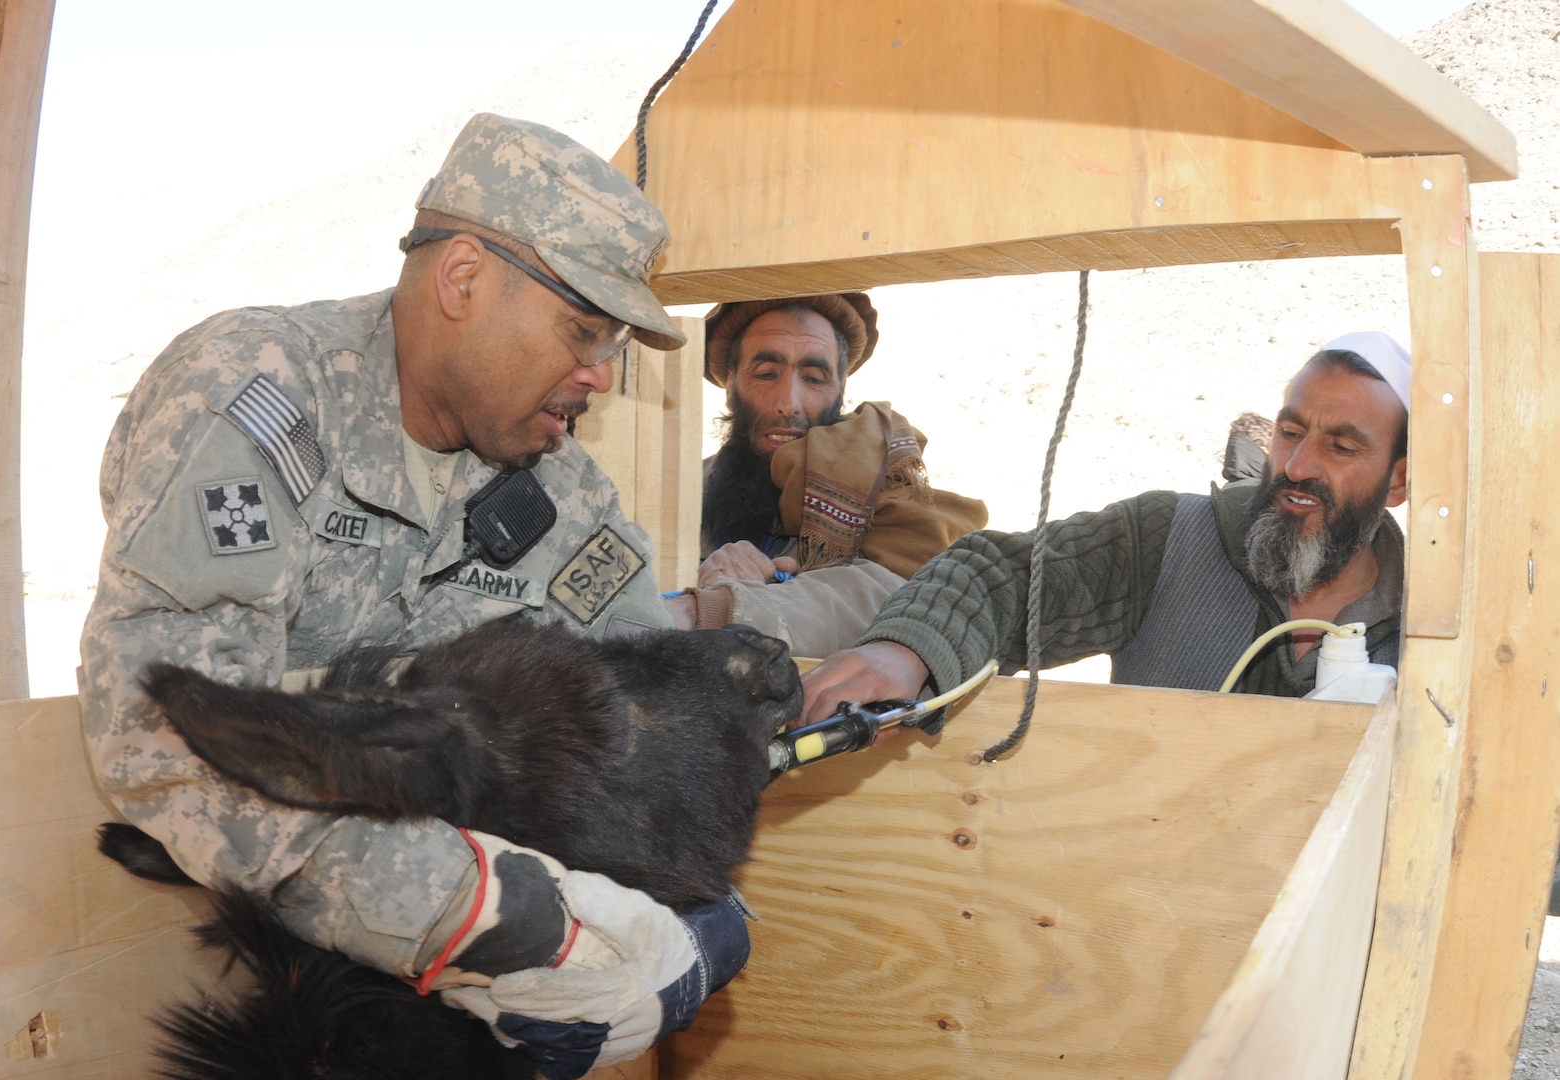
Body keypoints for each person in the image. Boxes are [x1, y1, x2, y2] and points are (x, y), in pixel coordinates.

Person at [80, 113, 746, 1078]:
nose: (600, 373)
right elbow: (165, 728)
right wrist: (472, 915)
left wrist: (687, 894)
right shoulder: (259, 395)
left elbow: (642, 695)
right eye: (584, 330)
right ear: (463, 278)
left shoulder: (562, 490)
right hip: (289, 976)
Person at [800, 332, 1412, 725]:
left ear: (1400, 481)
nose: (1299, 466)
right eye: (1291, 432)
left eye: (1341, 447)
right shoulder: (1168, 538)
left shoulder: (1430, 629)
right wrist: (906, 650)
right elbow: (1005, 576)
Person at [664, 293, 987, 656]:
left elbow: (925, 611)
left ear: (840, 390)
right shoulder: (668, 492)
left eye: (814, 379)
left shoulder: (885, 496)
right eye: (766, 374)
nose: (789, 403)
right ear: (730, 381)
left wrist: (773, 591)